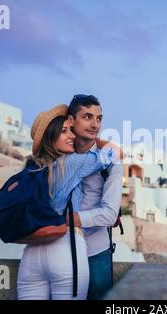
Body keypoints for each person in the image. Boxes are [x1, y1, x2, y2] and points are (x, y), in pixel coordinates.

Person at [16, 104, 115, 300]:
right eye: (64, 132)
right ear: (51, 138)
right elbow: (112, 155)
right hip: (64, 248)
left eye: (70, 130)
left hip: (31, 254)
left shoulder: (31, 169)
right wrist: (99, 140)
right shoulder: (70, 163)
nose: (71, 136)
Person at [66, 94, 123, 300]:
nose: (95, 124)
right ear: (72, 120)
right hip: (59, 248)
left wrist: (68, 220)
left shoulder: (111, 160)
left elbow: (109, 215)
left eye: (99, 118)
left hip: (95, 252)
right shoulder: (58, 154)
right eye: (87, 117)